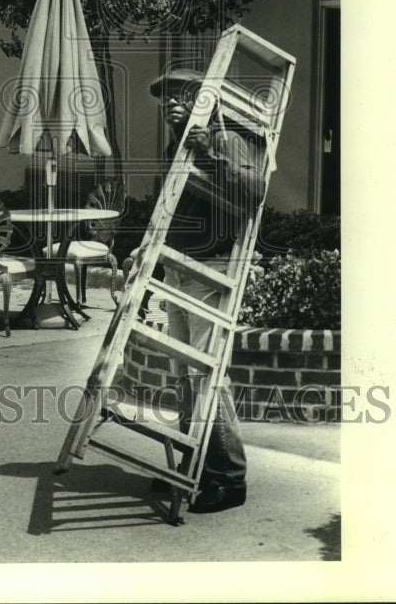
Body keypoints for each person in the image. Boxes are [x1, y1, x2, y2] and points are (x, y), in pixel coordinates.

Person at [148, 67, 264, 514]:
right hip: (178, 270)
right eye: (166, 98)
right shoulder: (175, 146)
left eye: (182, 95)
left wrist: (211, 156)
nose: (171, 104)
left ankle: (229, 479)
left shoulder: (226, 140)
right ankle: (191, 465)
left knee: (206, 376)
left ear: (207, 101)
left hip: (208, 270)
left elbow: (254, 192)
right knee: (183, 375)